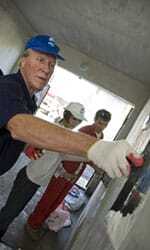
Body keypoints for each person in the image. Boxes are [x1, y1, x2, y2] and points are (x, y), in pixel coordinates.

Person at [0, 34, 141, 237]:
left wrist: (94, 156)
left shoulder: (28, 100)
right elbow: (19, 125)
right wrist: (96, 147)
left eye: (51, 64)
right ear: (23, 60)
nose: (46, 69)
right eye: (40, 59)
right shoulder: (8, 87)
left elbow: (17, 136)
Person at [0, 102, 86, 239]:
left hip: (34, 180)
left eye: (80, 120)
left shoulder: (62, 131)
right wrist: (90, 155)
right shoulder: (57, 133)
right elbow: (64, 152)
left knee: (10, 212)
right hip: (29, 179)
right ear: (69, 117)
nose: (78, 123)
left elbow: (57, 160)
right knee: (9, 213)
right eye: (77, 119)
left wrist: (64, 173)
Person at [24, 109, 111, 240]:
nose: (101, 126)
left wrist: (93, 165)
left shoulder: (101, 136)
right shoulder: (84, 131)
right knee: (49, 198)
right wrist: (91, 166)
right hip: (65, 168)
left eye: (104, 124)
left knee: (58, 199)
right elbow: (73, 152)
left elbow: (88, 155)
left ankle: (40, 222)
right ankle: (32, 223)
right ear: (95, 119)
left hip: (76, 172)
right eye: (99, 122)